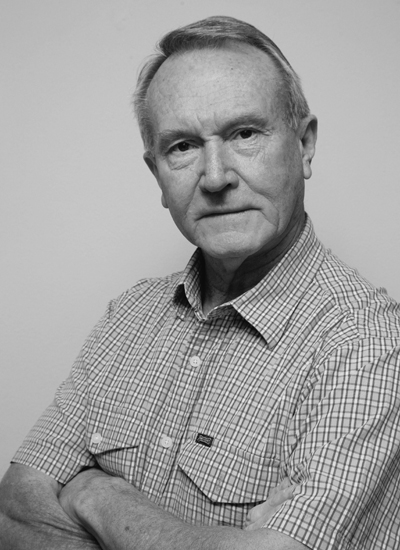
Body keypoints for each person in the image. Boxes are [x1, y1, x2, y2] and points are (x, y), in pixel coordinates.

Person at [1, 15, 399, 550]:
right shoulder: (129, 315)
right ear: (157, 175)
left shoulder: (367, 341)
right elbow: (14, 510)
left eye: (245, 133)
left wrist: (96, 493)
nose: (215, 177)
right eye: (183, 146)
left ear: (305, 145)